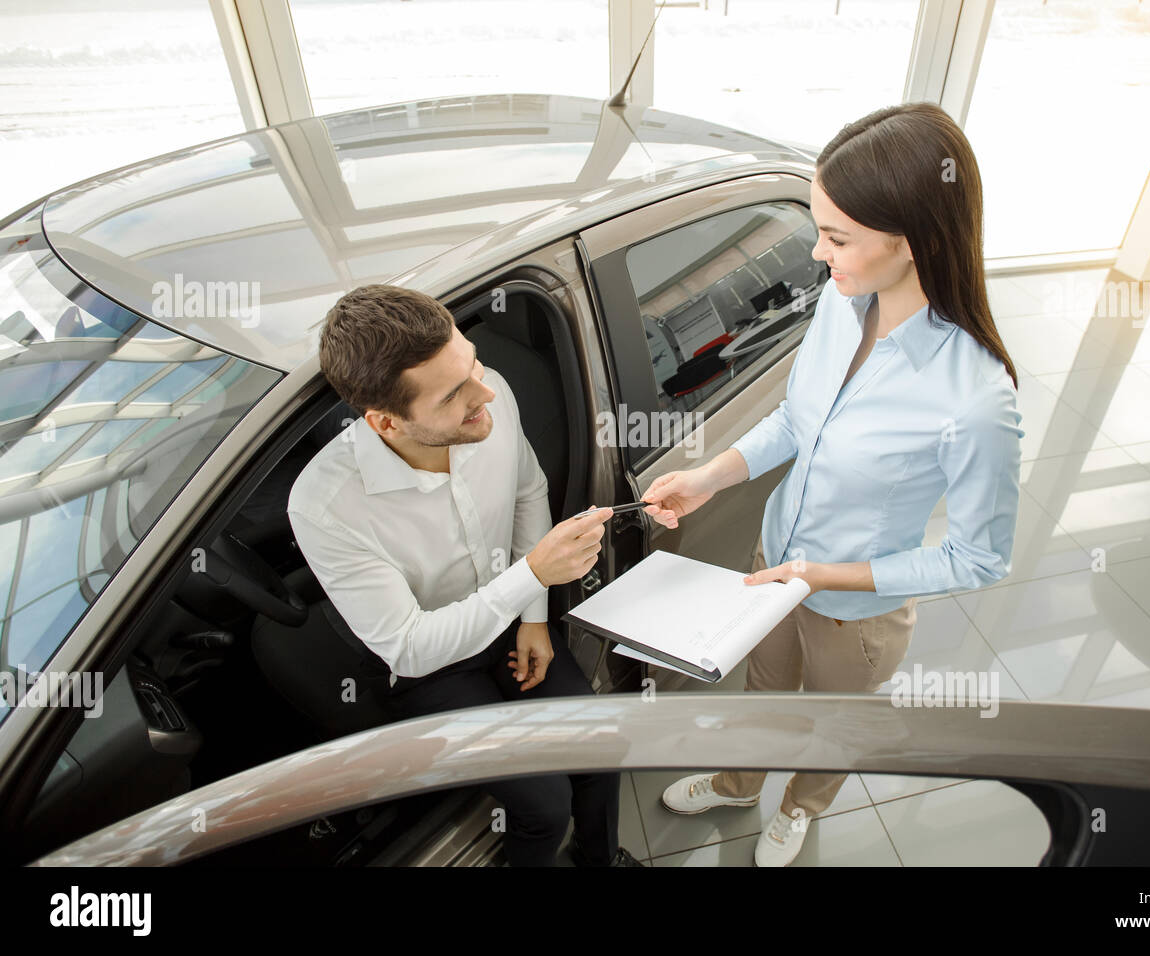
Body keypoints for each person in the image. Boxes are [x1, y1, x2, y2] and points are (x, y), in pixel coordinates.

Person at [643, 102, 1024, 867]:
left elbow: (979, 558)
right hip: (775, 559)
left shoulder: (976, 399)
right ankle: (740, 779)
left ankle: (800, 806)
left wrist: (824, 576)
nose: (818, 255)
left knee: (831, 720)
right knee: (765, 688)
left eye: (837, 237)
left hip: (858, 611)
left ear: (911, 240)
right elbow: (796, 419)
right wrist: (713, 477)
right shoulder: (841, 303)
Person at [287, 284, 641, 867]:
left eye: (472, 362)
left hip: (513, 621)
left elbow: (528, 490)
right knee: (544, 807)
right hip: (432, 664)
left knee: (603, 746)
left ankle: (599, 859)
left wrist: (532, 618)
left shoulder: (487, 392)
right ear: (385, 423)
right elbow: (409, 647)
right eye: (455, 393)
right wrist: (531, 576)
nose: (486, 392)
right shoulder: (325, 507)